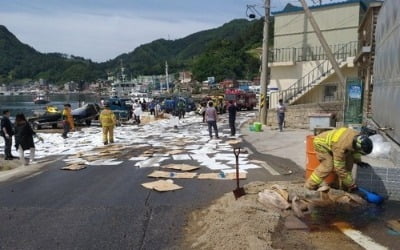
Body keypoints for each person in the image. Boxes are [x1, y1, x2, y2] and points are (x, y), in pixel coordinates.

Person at [305, 127, 373, 192]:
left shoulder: (358, 137)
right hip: (321, 144)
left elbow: (355, 151)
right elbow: (339, 169)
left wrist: (358, 161)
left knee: (348, 164)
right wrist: (351, 184)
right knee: (328, 166)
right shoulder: (340, 149)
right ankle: (310, 186)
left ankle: (345, 189)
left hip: (336, 143)